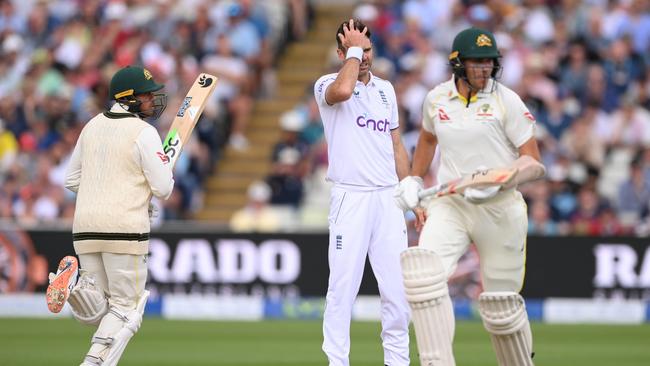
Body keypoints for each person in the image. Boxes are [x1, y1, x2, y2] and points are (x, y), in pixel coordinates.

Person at [394, 28, 546, 366]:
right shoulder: (436, 99)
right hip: (452, 203)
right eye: (476, 63)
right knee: (422, 274)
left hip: (500, 208)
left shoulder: (506, 100)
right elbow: (428, 140)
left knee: (500, 306)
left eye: (489, 63)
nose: (484, 70)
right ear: (458, 64)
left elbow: (534, 162)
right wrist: (415, 179)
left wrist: (505, 177)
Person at [46, 65, 174, 366]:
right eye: (146, 95)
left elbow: (71, 179)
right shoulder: (144, 132)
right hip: (125, 228)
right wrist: (143, 187)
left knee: (98, 310)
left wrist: (106, 188)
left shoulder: (91, 126)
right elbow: (163, 187)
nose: (152, 101)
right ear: (128, 98)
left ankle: (78, 289)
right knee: (129, 307)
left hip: (85, 228)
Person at [314, 19, 411, 366]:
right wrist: (353, 53)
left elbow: (396, 144)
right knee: (343, 290)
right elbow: (342, 91)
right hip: (350, 197)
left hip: (388, 199)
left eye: (368, 49)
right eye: (357, 50)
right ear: (341, 53)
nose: (365, 56)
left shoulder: (386, 90)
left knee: (398, 294)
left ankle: (397, 362)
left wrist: (412, 190)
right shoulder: (328, 84)